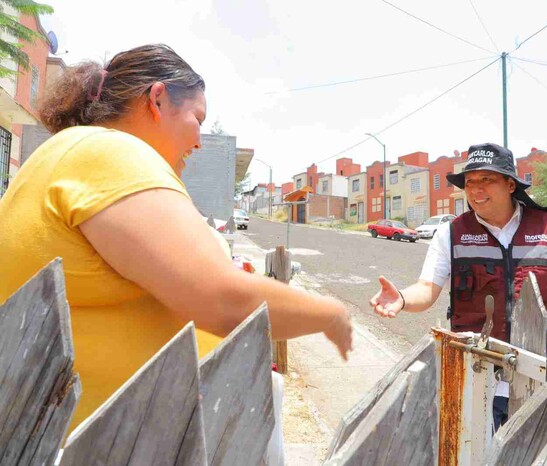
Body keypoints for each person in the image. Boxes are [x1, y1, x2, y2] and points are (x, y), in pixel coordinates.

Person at [0, 44, 352, 429]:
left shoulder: (78, 152)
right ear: (157, 99)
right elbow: (221, 300)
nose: (200, 141)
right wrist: (331, 314)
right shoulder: (110, 151)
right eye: (198, 118)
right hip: (97, 443)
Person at [370, 142, 547, 428]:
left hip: (539, 375)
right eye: (470, 182)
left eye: (487, 180)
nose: (475, 190)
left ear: (511, 185)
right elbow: (427, 288)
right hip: (477, 374)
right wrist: (401, 298)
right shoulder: (451, 234)